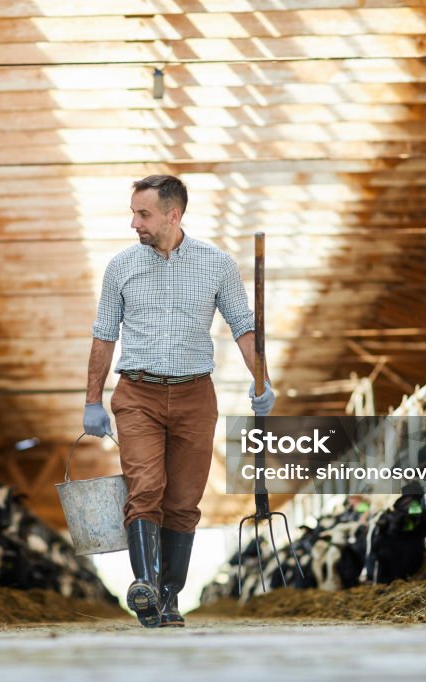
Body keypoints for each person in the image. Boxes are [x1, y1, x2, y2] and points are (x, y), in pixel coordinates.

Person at [83, 174, 275, 628]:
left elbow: (244, 327)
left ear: (174, 214)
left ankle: (169, 597)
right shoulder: (121, 267)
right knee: (145, 488)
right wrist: (92, 398)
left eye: (143, 213)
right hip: (137, 394)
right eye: (133, 212)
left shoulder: (217, 265)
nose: (134, 223)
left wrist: (263, 381)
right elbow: (104, 335)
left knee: (185, 501)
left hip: (195, 395)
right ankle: (145, 585)